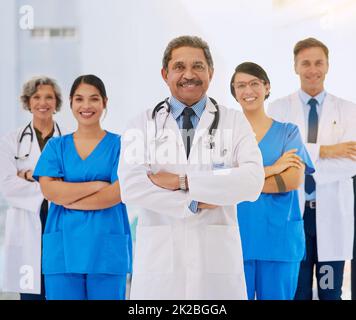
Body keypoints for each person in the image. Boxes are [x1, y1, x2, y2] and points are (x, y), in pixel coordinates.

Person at [118, 35, 265, 300]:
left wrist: (182, 182)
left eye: (198, 66)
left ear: (211, 72)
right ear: (165, 74)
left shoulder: (234, 122)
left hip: (216, 267)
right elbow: (131, 187)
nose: (189, 75)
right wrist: (194, 203)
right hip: (161, 267)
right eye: (179, 67)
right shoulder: (141, 124)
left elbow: (252, 181)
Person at [268, 38, 356, 300]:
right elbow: (279, 158)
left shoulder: (349, 110)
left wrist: (302, 158)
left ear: (327, 65)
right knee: (298, 293)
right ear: (295, 67)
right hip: (293, 216)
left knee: (330, 293)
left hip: (331, 216)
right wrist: (327, 151)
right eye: (305, 63)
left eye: (318, 62)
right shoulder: (278, 109)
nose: (312, 69)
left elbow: (350, 163)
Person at [32, 75, 132, 300]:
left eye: (94, 99)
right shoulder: (56, 146)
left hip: (106, 248)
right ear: (70, 103)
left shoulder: (120, 146)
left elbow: (116, 194)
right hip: (63, 251)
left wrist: (66, 196)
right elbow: (50, 192)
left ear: (104, 102)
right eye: (79, 99)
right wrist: (97, 185)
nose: (86, 106)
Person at [230, 62, 314, 300]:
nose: (249, 91)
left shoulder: (289, 132)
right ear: (235, 94)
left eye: (255, 83)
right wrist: (274, 169)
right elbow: (219, 181)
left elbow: (292, 179)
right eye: (241, 86)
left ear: (267, 87)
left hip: (279, 241)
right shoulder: (227, 136)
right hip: (237, 240)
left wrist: (242, 182)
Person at [0, 76, 65, 300]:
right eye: (36, 97)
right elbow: (7, 185)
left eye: (49, 97)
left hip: (59, 220)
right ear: (28, 102)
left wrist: (29, 176)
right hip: (27, 222)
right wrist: (53, 187)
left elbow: (73, 182)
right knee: (30, 294)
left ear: (56, 103)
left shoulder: (68, 141)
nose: (43, 102)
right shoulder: (11, 141)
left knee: (59, 290)